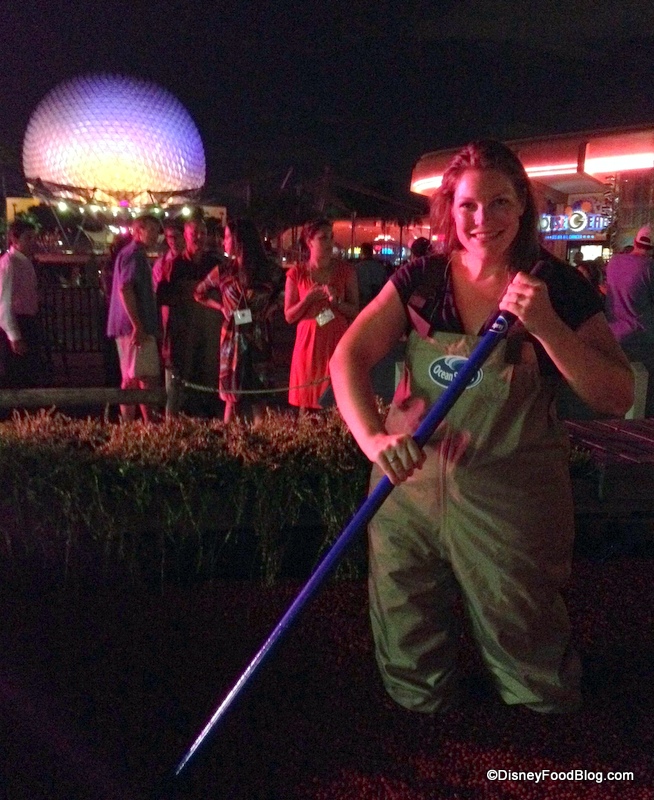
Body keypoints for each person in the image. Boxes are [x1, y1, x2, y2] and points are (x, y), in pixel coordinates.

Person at [330, 140, 633, 716]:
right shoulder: (420, 279)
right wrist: (374, 439)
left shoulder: (557, 287)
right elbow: (347, 357)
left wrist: (547, 327)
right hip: (407, 496)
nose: (482, 219)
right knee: (409, 655)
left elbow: (616, 395)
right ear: (450, 208)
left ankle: (544, 754)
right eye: (468, 204)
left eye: (499, 203)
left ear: (522, 205)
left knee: (531, 660)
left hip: (510, 503)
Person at [194, 218, 282, 424]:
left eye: (226, 237)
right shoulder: (224, 270)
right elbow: (199, 293)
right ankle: (230, 440)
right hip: (232, 337)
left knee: (258, 397)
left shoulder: (269, 270)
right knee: (231, 397)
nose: (223, 242)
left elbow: (284, 292)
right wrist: (221, 307)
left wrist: (272, 307)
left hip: (259, 336)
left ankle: (261, 440)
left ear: (239, 240)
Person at [284, 218, 358, 414]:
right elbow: (289, 316)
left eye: (331, 237)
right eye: (323, 238)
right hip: (308, 346)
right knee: (307, 405)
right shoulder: (297, 273)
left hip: (336, 342)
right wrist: (307, 300)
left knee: (337, 405)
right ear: (310, 242)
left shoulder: (345, 271)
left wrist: (337, 303)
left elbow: (355, 311)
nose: (329, 242)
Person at [156, 217, 222, 415]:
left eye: (203, 233)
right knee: (183, 377)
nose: (199, 237)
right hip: (184, 332)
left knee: (210, 375)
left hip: (210, 333)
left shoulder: (215, 264)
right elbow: (163, 297)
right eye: (194, 233)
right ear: (185, 236)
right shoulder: (174, 266)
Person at [106, 214, 161, 422]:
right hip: (136, 327)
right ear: (138, 230)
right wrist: (138, 325)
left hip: (125, 326)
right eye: (152, 230)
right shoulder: (135, 254)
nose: (156, 235)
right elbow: (126, 288)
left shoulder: (128, 253)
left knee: (131, 377)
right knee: (146, 377)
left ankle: (129, 424)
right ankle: (149, 424)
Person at [605, 225, 654, 416]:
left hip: (614, 337)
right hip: (642, 340)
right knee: (643, 398)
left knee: (617, 392)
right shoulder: (649, 267)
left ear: (635, 241)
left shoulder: (614, 262)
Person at [0, 219, 44, 389]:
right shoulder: (10, 263)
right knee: (17, 376)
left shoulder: (24, 262)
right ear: (15, 239)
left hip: (27, 321)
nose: (33, 242)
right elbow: (4, 302)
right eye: (28, 238)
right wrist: (14, 336)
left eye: (34, 238)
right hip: (19, 322)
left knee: (29, 374)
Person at [152, 221, 185, 392]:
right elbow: (156, 291)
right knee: (170, 353)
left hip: (188, 313)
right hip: (169, 315)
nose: (172, 241)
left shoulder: (190, 259)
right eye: (168, 237)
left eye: (176, 236)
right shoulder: (161, 263)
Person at [356, 242, 388, 307]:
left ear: (362, 252)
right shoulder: (380, 267)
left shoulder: (357, 268)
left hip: (362, 302)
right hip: (378, 302)